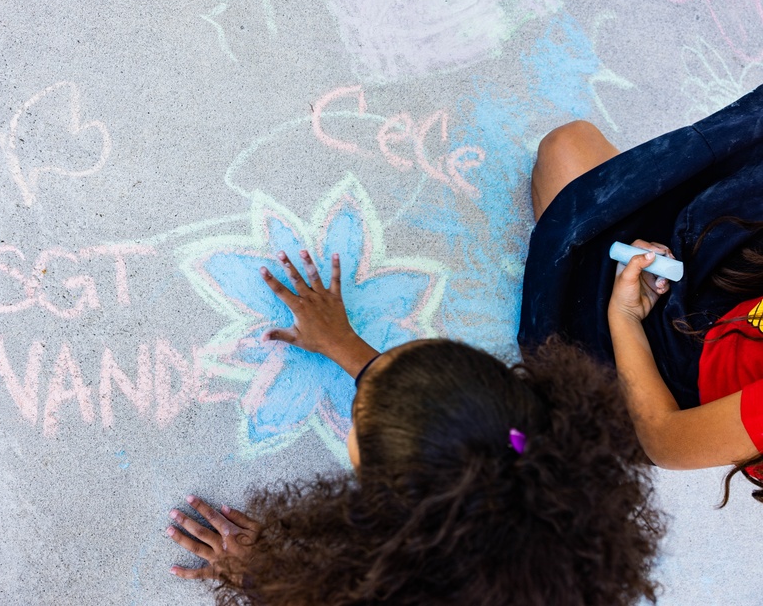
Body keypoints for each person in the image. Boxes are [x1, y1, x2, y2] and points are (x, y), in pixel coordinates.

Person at [166, 249, 662, 605]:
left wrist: (261, 579)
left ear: (389, 500)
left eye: (361, 420)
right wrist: (347, 347)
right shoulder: (561, 515)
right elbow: (444, 415)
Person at [520, 83, 763, 501]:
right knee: (573, 145)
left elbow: (664, 438)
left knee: (566, 155)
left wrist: (625, 316)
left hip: (674, 387)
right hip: (726, 293)